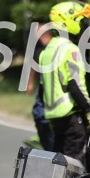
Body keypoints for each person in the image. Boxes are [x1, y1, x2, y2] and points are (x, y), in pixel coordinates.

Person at [39, 1, 90, 162]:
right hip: (70, 115)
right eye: (79, 20)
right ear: (68, 22)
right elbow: (75, 84)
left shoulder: (47, 50)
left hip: (54, 116)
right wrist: (89, 111)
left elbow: (43, 88)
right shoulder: (70, 49)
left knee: (59, 162)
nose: (82, 25)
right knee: (75, 163)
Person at [26, 21, 54, 151]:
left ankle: (51, 144)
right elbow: (32, 66)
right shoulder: (38, 49)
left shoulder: (55, 46)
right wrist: (30, 83)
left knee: (48, 117)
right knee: (39, 114)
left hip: (55, 89)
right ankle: (45, 142)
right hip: (43, 87)